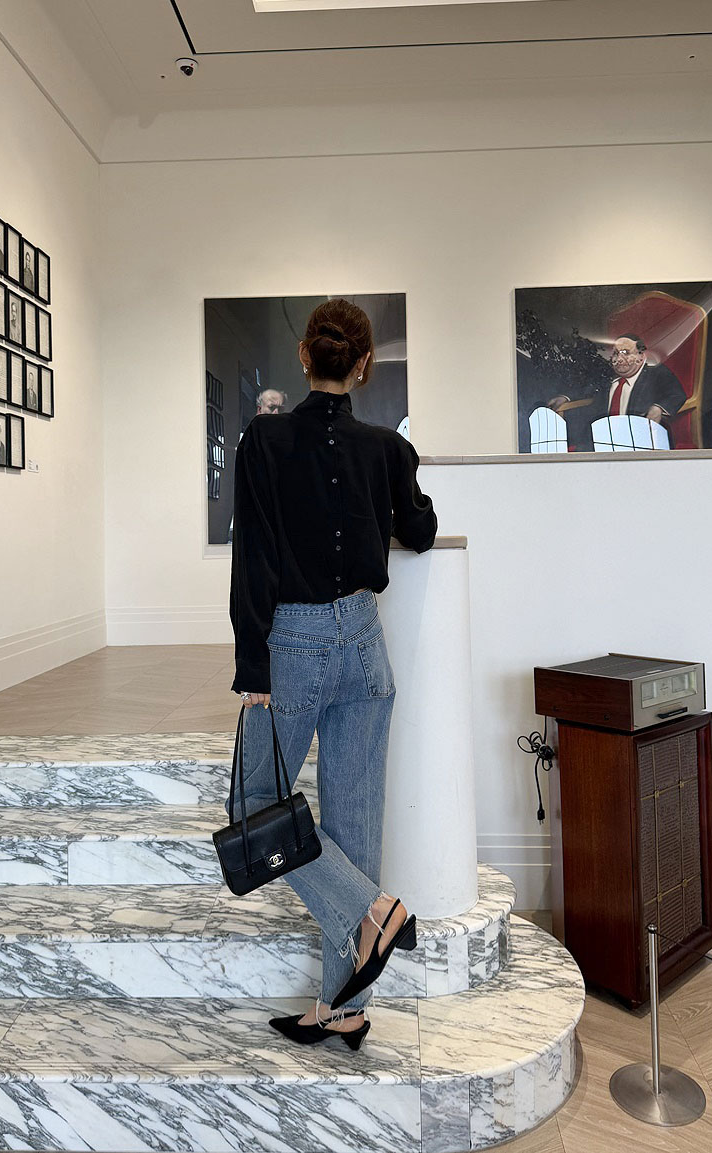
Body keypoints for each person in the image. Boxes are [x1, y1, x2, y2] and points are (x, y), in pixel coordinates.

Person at [229, 298, 438, 1049]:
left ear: (304, 357)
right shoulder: (386, 447)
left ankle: (373, 915)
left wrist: (251, 660)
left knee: (256, 805)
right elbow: (421, 530)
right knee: (353, 825)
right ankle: (344, 1004)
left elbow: (253, 554)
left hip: (294, 641)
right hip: (365, 642)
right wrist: (402, 481)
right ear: (364, 365)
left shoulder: (263, 439)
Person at [547, 336, 687, 450]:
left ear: (641, 356)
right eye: (615, 353)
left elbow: (676, 394)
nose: (619, 359)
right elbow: (587, 388)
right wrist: (565, 397)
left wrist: (658, 408)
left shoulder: (656, 373)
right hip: (602, 440)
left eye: (626, 353)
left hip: (638, 440)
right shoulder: (607, 374)